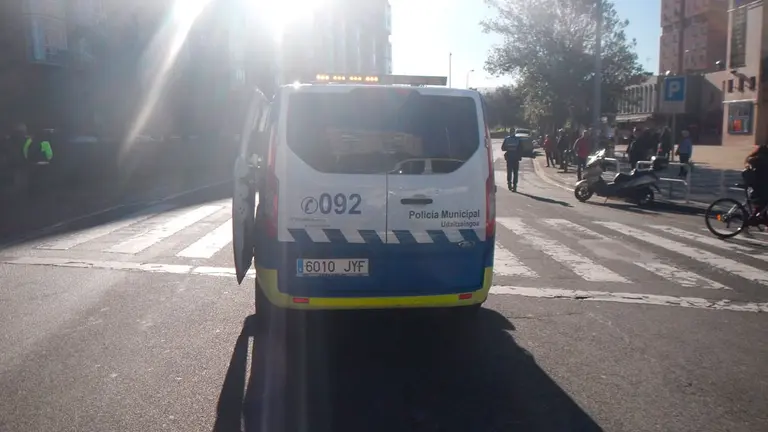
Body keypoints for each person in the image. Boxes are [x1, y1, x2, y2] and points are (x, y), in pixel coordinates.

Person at [744, 145, 768, 223]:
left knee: (761, 209)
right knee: (761, 207)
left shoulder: (755, 159)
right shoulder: (763, 160)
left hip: (755, 186)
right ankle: (747, 223)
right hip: (760, 188)